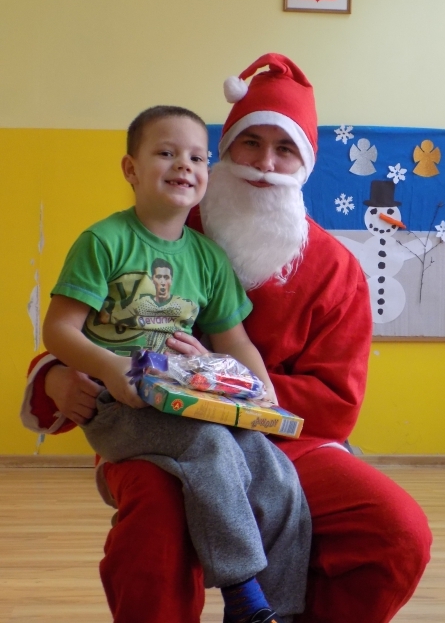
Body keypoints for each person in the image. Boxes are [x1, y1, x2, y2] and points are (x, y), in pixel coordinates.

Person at [21, 53, 433, 623]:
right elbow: (85, 330)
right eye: (250, 143)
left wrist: (222, 379)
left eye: (284, 149)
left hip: (282, 440)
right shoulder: (169, 221)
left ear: (305, 164)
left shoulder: (336, 269)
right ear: (225, 152)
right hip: (156, 428)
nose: (265, 164)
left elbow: (336, 404)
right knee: (157, 521)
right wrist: (56, 377)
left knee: (397, 530)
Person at [40, 104, 311, 623]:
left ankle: (282, 610)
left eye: (197, 157)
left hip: (185, 401)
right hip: (119, 407)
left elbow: (235, 341)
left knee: (274, 469)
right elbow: (58, 330)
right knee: (210, 446)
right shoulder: (104, 242)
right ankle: (244, 597)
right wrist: (111, 369)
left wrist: (262, 391)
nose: (184, 165)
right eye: (166, 153)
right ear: (131, 168)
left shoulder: (208, 259)